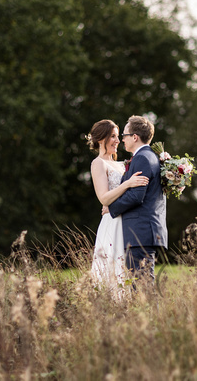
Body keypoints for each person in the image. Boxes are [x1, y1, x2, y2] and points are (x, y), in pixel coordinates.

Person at [86, 119, 148, 292]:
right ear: (100, 139)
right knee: (112, 270)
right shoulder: (98, 163)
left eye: (117, 136)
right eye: (112, 136)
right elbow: (104, 199)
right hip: (112, 224)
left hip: (127, 222)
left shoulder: (122, 164)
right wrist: (127, 184)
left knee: (128, 271)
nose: (118, 140)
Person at [107, 115, 168, 289]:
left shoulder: (142, 158)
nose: (122, 140)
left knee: (142, 288)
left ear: (135, 137)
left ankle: (149, 317)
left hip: (140, 231)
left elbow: (136, 196)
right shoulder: (149, 156)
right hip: (144, 231)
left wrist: (111, 207)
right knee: (141, 286)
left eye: (124, 135)